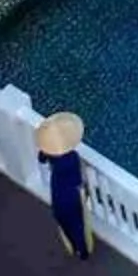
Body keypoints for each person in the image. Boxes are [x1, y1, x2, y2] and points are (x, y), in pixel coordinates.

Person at [36, 111, 93, 258]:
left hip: (58, 191)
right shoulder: (72, 157)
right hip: (73, 193)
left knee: (62, 218)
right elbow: (79, 179)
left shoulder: (51, 154)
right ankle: (82, 250)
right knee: (77, 221)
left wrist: (46, 148)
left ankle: (73, 246)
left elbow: (41, 158)